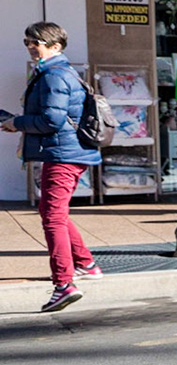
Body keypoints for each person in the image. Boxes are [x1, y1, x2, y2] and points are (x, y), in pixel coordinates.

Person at [0, 22, 103, 312]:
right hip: (63, 152)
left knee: (53, 218)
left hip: (62, 155)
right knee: (51, 210)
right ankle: (86, 264)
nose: (32, 47)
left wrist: (15, 123)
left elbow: (51, 121)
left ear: (55, 46)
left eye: (38, 43)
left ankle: (64, 284)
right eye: (28, 42)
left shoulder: (54, 76)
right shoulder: (55, 73)